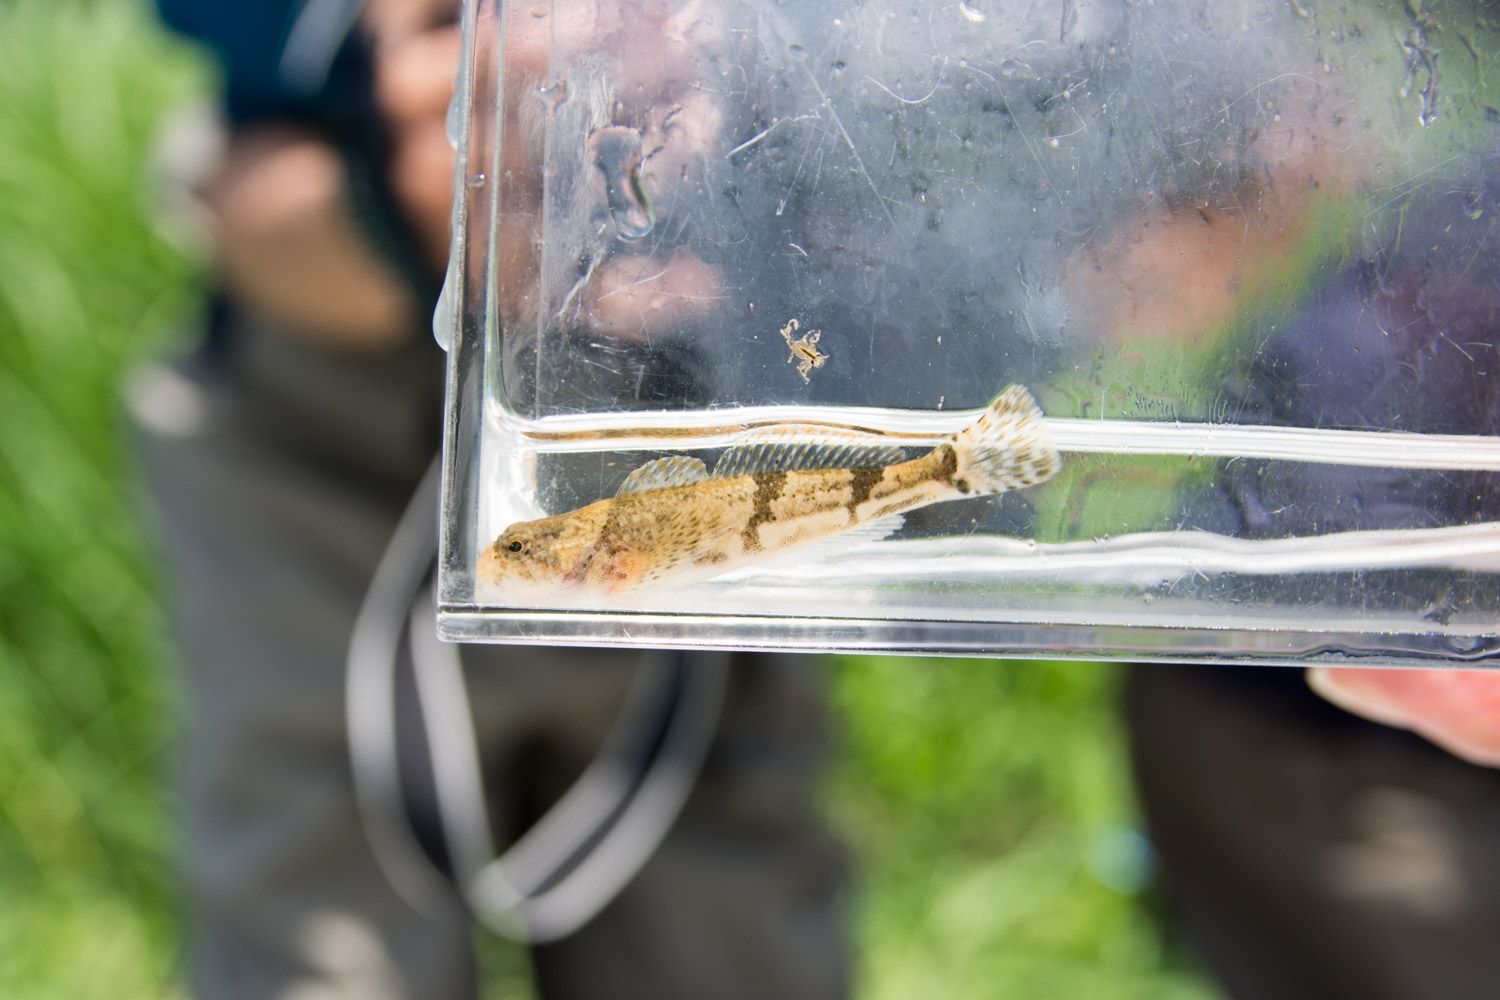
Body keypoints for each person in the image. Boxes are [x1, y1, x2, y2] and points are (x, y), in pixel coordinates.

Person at [136, 2, 848, 997]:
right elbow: (250, 164)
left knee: (723, 927)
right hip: (339, 443)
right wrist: (400, 180)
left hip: (690, 398)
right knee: (326, 935)